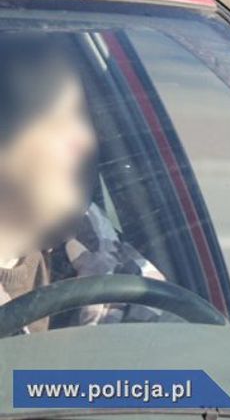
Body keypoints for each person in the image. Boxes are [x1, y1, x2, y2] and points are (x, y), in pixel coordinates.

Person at [0, 35, 164, 333]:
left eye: (81, 117)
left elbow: (177, 340)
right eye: (55, 119)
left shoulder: (89, 241)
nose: (84, 141)